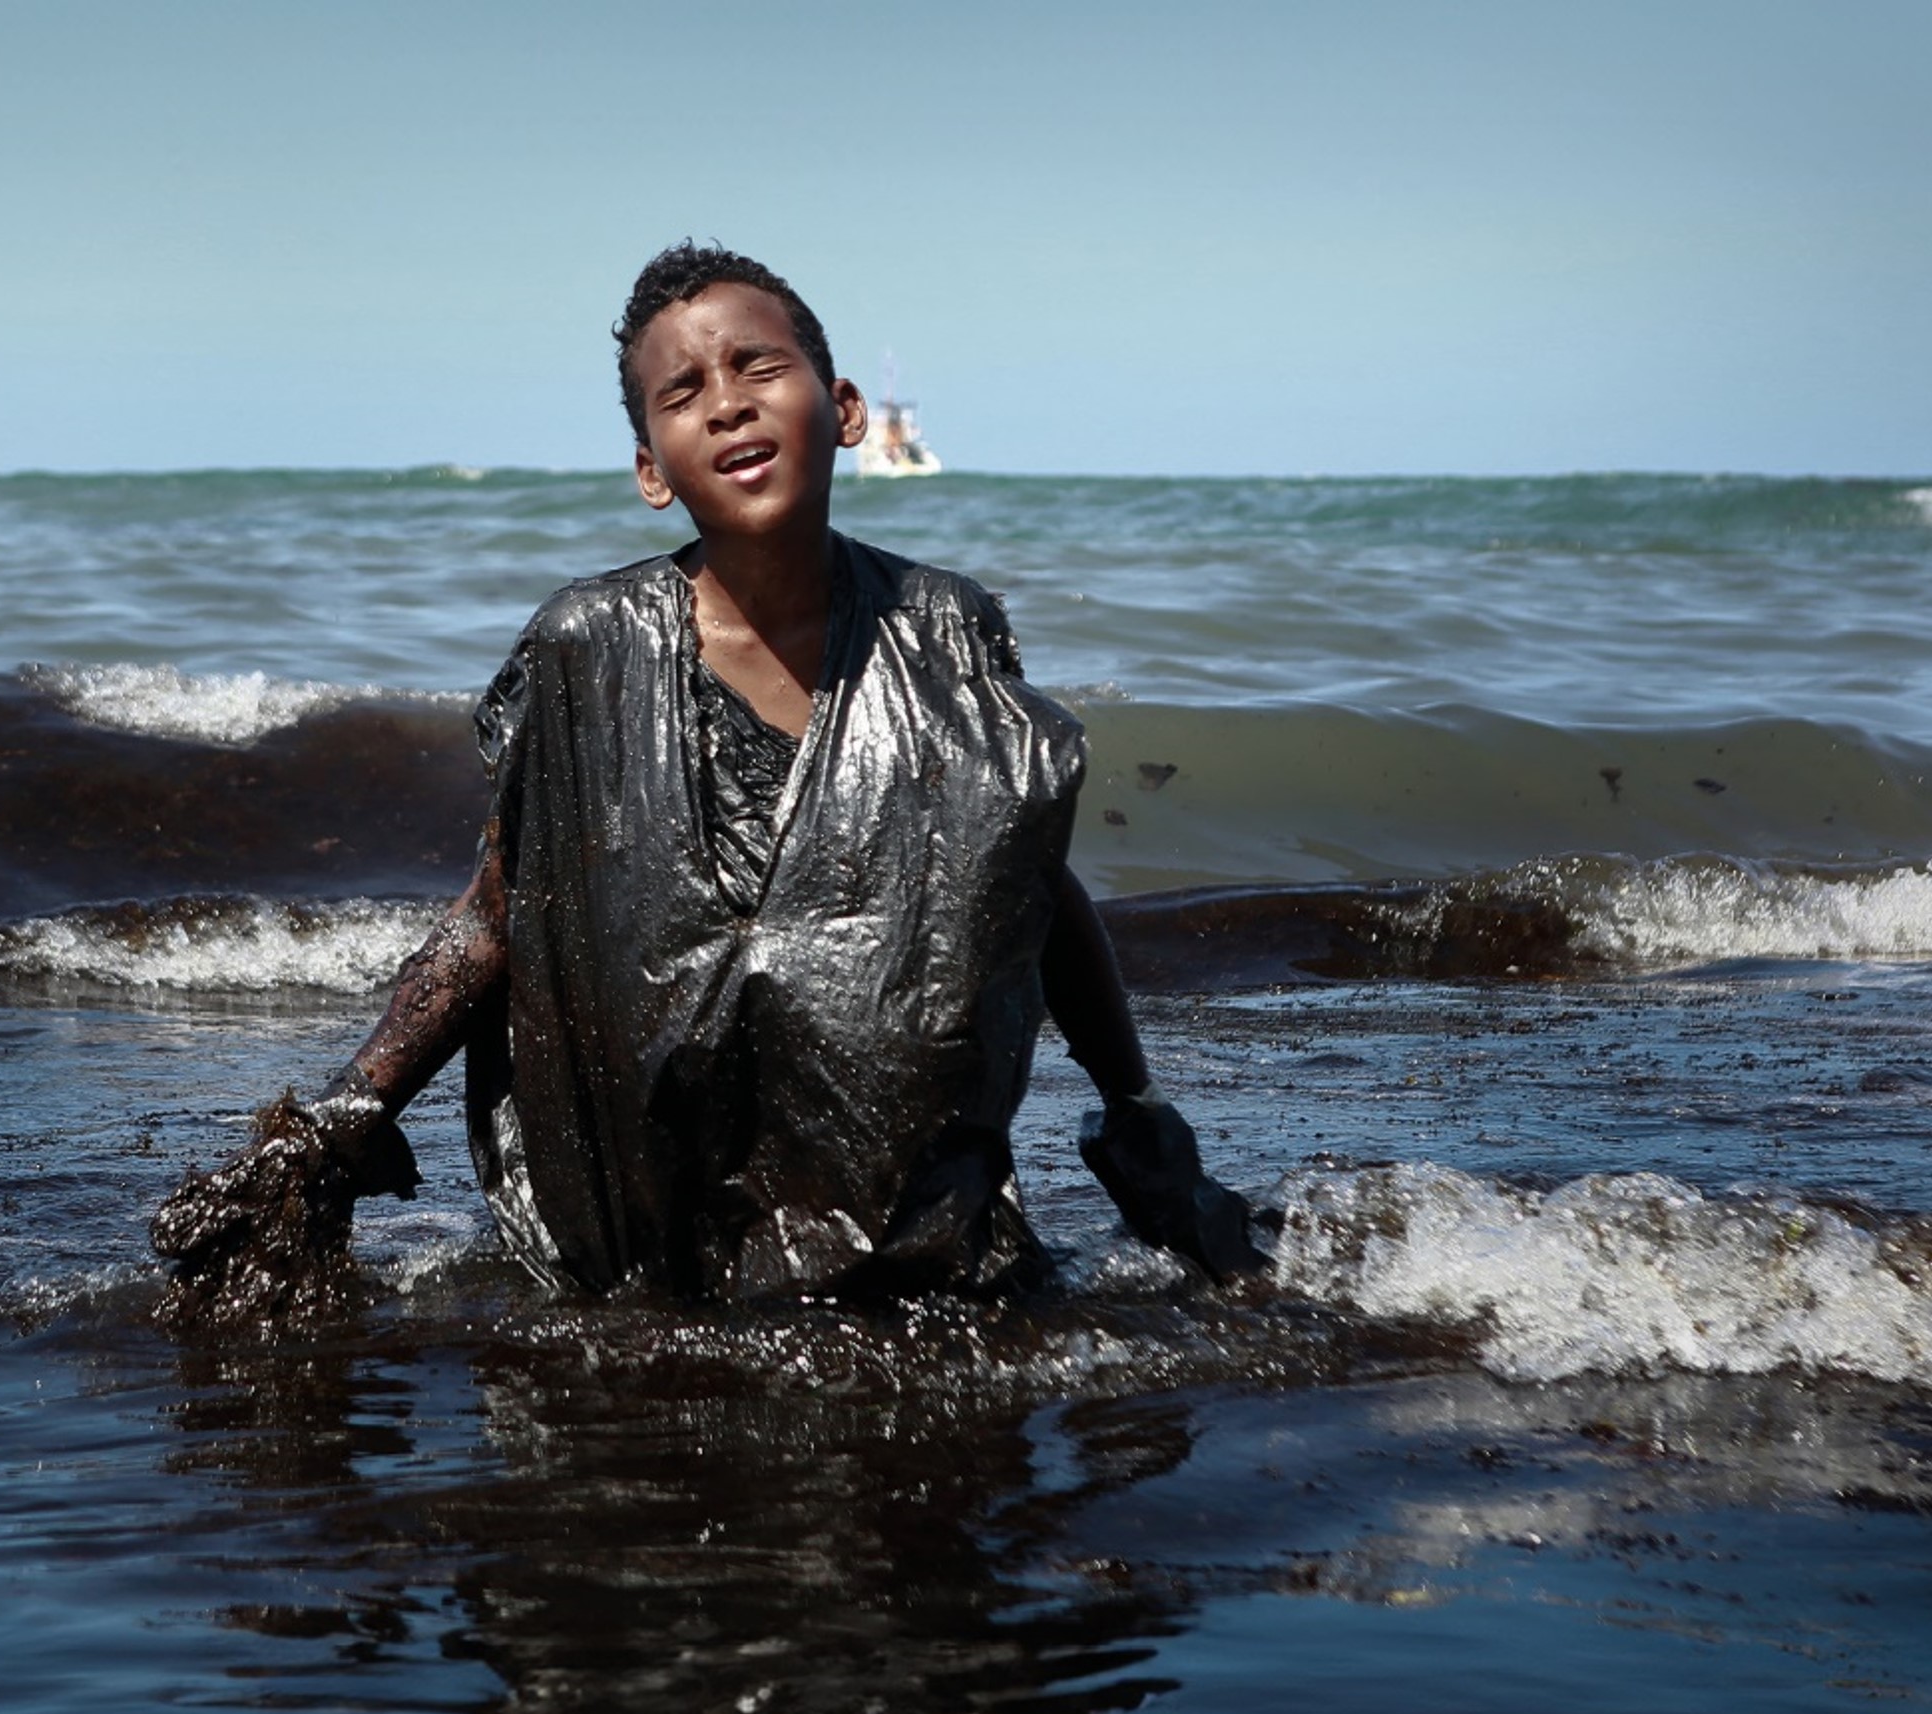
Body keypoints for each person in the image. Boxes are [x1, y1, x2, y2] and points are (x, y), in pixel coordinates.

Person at [152, 243, 1261, 1320]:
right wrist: (345, 1115)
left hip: (912, 1239)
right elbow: (502, 912)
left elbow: (1027, 887)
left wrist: (1137, 1113)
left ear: (847, 408)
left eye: (759, 368)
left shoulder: (947, 629)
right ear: (651, 470)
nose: (727, 403)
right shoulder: (587, 645)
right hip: (656, 1245)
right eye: (683, 392)